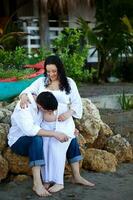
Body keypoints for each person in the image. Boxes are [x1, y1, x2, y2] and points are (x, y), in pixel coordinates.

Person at [19, 55, 95, 187]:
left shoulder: (69, 83)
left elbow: (77, 104)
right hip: (45, 124)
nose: (51, 74)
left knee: (58, 146)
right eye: (48, 71)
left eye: (54, 71)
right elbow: (27, 90)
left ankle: (62, 180)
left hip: (63, 121)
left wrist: (69, 113)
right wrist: (24, 96)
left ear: (60, 69)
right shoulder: (41, 82)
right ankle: (47, 180)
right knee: (45, 147)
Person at [8, 92, 69, 197]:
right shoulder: (24, 107)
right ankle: (37, 183)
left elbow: (31, 90)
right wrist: (54, 134)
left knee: (61, 140)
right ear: (41, 106)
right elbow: (30, 130)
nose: (50, 113)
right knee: (37, 139)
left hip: (33, 138)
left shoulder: (40, 101)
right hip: (18, 141)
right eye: (49, 111)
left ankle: (52, 178)